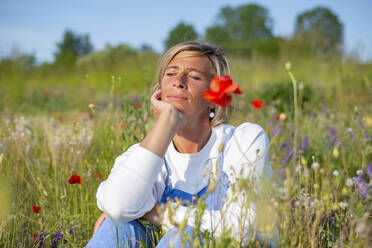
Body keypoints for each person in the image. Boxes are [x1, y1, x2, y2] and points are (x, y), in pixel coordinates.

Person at [85, 41, 277, 248]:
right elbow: (117, 206)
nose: (178, 81)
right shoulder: (147, 153)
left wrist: (156, 213)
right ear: (159, 91)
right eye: (170, 74)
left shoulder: (243, 140)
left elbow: (242, 226)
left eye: (195, 76)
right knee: (117, 227)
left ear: (213, 98)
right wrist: (165, 124)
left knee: (183, 235)